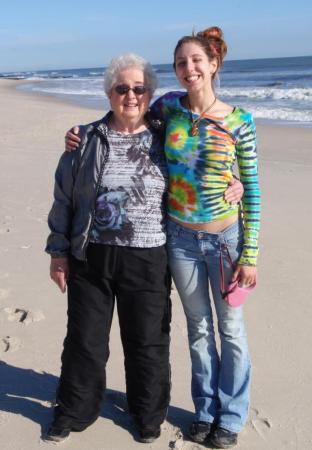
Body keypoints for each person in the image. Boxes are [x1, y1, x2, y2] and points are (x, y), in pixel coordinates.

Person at [64, 26, 259, 449]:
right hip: (180, 240)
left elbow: (254, 187)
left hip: (225, 240)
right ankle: (206, 412)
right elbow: (123, 116)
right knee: (199, 329)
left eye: (196, 61)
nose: (189, 69)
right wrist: (79, 133)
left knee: (231, 330)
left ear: (213, 64)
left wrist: (251, 248)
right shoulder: (168, 109)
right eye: (181, 63)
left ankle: (233, 414)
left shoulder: (239, 120)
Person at [45, 54, 172, 444]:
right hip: (91, 256)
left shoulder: (170, 138)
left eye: (139, 88)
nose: (130, 95)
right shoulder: (84, 139)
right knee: (84, 340)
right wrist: (58, 251)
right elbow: (64, 198)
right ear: (109, 92)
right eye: (122, 88)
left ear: (150, 94)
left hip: (149, 258)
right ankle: (76, 410)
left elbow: (206, 171)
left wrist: (233, 185)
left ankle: (147, 415)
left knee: (147, 342)